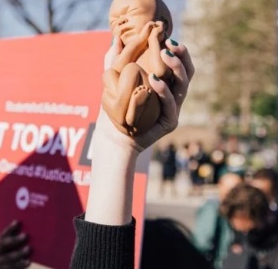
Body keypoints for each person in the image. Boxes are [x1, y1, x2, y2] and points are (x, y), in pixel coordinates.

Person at [70, 34, 194, 269]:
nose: (121, 24)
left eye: (129, 16)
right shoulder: (131, 61)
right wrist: (115, 144)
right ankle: (126, 109)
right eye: (117, 19)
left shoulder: (150, 59)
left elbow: (156, 69)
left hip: (143, 98)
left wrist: (153, 40)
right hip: (125, 101)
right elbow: (115, 69)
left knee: (129, 72)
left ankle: (130, 108)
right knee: (120, 73)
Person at [193, 172, 243, 269]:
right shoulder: (212, 208)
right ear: (220, 186)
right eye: (232, 189)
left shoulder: (230, 209)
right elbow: (202, 242)